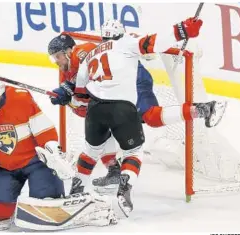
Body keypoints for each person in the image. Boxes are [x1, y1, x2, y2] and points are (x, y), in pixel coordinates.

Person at [49, 17, 208, 217]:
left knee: (91, 149)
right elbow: (154, 42)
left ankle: (76, 190)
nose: (56, 61)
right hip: (122, 104)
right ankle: (124, 183)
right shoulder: (123, 43)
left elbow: (81, 100)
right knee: (133, 151)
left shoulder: (86, 56)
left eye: (57, 56)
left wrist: (69, 96)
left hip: (102, 103)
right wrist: (182, 30)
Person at [0, 72, 115, 231]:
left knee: (47, 203)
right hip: (5, 167)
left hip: (36, 162)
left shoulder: (20, 98)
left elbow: (43, 129)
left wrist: (52, 150)